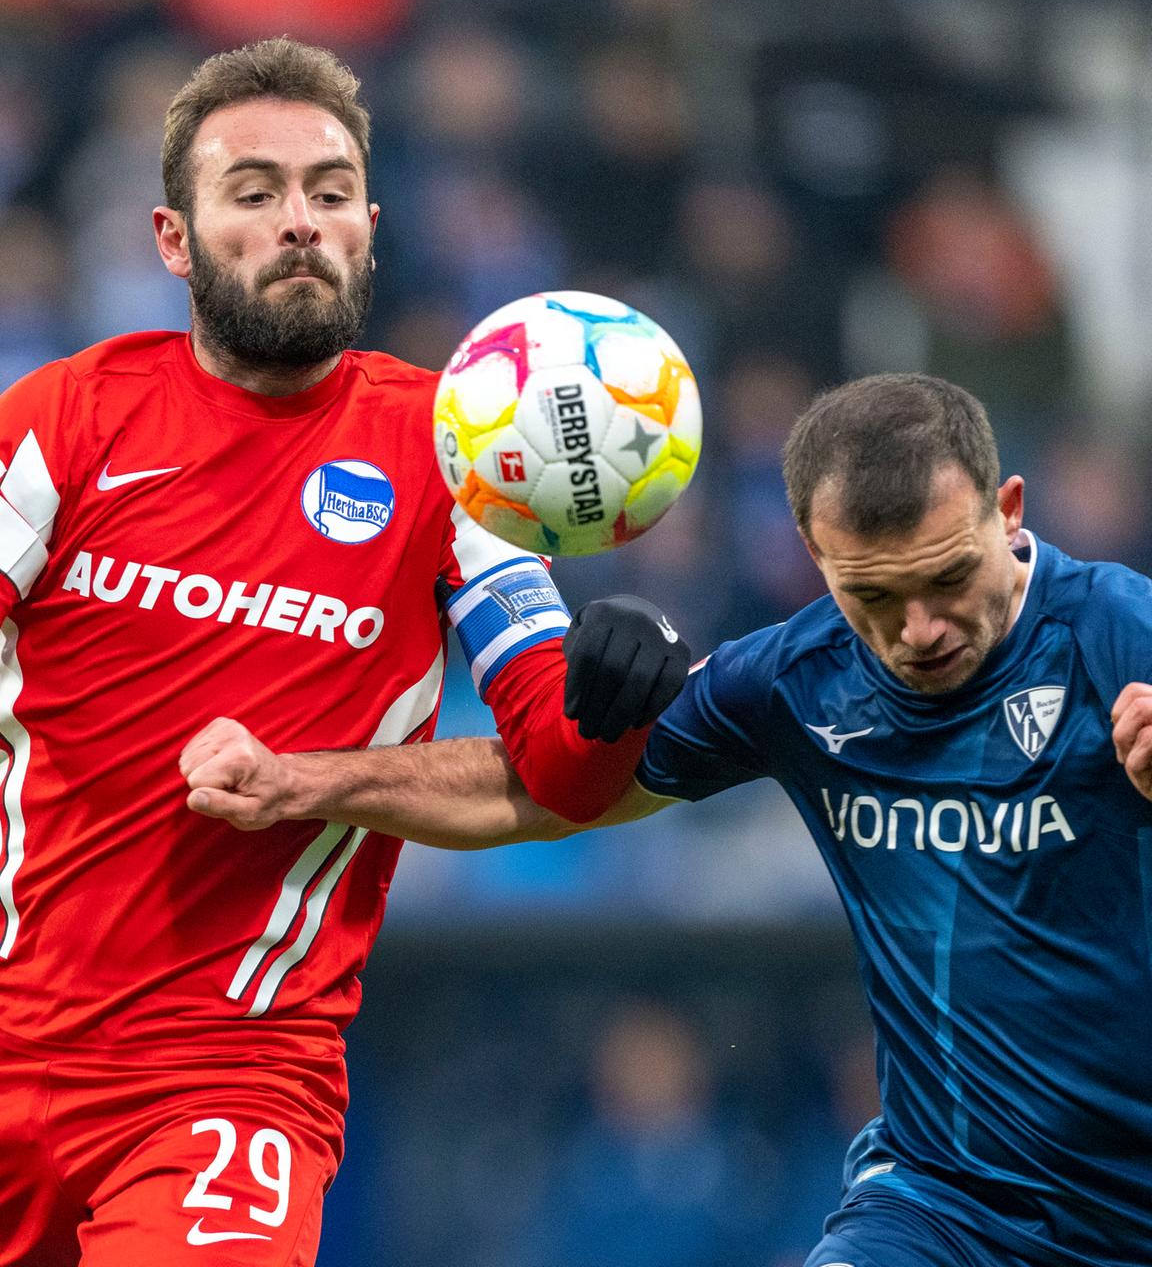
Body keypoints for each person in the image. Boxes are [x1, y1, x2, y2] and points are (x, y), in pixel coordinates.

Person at [191, 371, 1152, 1267]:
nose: (918, 630)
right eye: (872, 596)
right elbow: (542, 794)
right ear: (814, 559)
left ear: (1010, 511)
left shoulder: (1119, 633)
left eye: (947, 578)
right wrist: (304, 781)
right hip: (945, 1206)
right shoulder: (793, 678)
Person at [0, 37, 692, 1266]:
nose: (299, 223)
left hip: (229, 1078)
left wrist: (619, 689)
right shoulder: (63, 422)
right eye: (254, 193)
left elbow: (561, 774)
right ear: (174, 237)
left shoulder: (454, 458)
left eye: (327, 192)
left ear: (369, 225)